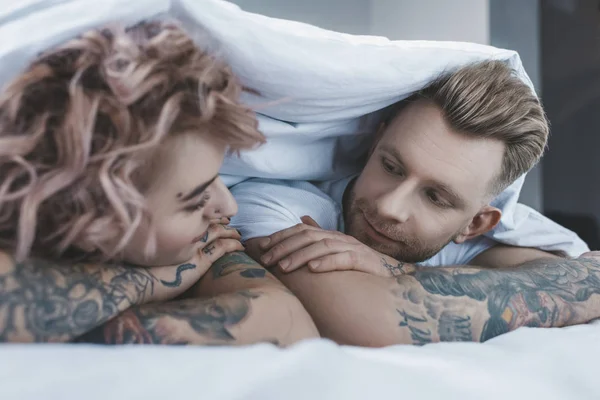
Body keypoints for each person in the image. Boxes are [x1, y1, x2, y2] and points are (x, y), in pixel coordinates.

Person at [229, 60, 600, 346]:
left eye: (435, 197)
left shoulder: (499, 237)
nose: (391, 206)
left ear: (475, 225)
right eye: (391, 166)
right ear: (374, 144)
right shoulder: (274, 204)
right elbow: (366, 321)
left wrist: (396, 269)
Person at [0, 20, 318, 345]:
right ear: (94, 218)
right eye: (195, 200)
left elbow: (285, 320)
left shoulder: (203, 242)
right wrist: (149, 281)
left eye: (217, 178)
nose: (228, 205)